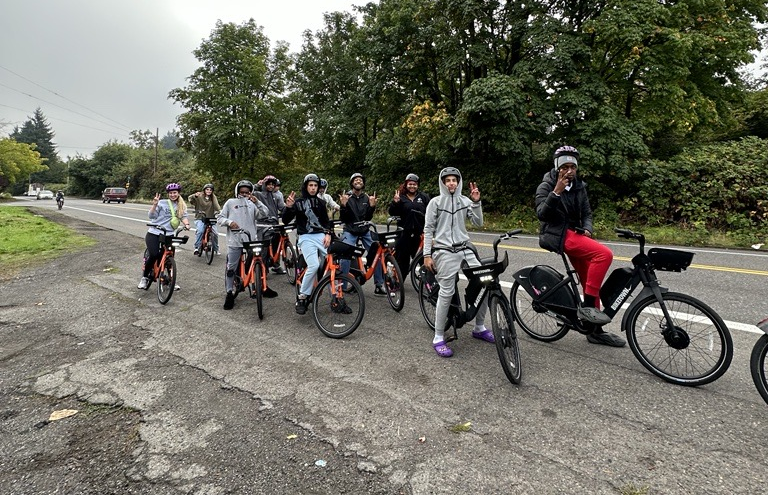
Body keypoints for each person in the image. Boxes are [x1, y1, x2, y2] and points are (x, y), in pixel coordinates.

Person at [536, 145, 625, 347]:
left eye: (572, 167)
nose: (569, 171)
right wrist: (556, 193)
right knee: (604, 255)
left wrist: (588, 229)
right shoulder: (546, 185)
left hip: (575, 233)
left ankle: (594, 331)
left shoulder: (579, 186)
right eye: (565, 167)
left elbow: (587, 213)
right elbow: (542, 214)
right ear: (557, 168)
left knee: (588, 282)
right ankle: (588, 308)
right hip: (557, 234)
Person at [422, 167, 495, 357]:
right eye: (448, 180)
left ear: (459, 182)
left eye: (454, 180)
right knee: (447, 291)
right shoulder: (435, 203)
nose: (451, 183)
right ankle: (438, 337)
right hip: (445, 250)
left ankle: (479, 327)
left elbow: (478, 223)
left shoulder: (465, 201)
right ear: (443, 183)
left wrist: (477, 202)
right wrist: (427, 255)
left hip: (465, 248)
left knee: (486, 282)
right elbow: (428, 229)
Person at [218, 180, 277, 310]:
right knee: (231, 267)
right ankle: (229, 292)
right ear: (237, 192)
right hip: (235, 240)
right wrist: (229, 222)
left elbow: (264, 213)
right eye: (242, 192)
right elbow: (220, 218)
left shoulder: (252, 204)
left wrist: (257, 202)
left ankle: (261, 287)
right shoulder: (230, 203)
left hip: (251, 240)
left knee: (259, 262)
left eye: (247, 192)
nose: (244, 194)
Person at [282, 174, 332, 315]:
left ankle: (337, 297)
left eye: (315, 185)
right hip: (306, 237)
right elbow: (286, 220)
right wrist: (288, 207)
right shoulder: (298, 202)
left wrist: (328, 233)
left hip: (321, 236)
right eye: (310, 185)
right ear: (306, 186)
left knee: (333, 262)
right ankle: (302, 297)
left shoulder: (321, 203)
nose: (313, 188)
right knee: (314, 265)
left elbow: (326, 222)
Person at [338, 173, 385, 295]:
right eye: (355, 180)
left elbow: (368, 217)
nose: (358, 181)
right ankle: (342, 287)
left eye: (360, 180)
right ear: (352, 183)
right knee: (345, 255)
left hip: (364, 231)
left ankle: (379, 285)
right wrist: (343, 205)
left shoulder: (366, 198)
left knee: (377, 253)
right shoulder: (347, 197)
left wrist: (372, 206)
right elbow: (343, 218)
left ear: (363, 183)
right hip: (350, 231)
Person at [138, 183, 191, 290]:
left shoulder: (181, 205)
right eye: (171, 193)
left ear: (178, 193)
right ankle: (144, 278)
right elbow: (151, 216)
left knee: (168, 258)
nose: (173, 195)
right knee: (154, 254)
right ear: (168, 194)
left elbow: (183, 217)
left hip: (169, 235)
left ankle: (171, 279)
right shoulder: (162, 203)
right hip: (154, 233)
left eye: (175, 193)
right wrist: (154, 205)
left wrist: (187, 224)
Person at [388, 173, 429, 275]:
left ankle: (428, 284)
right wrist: (395, 203)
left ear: (418, 185)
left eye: (414, 184)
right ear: (406, 185)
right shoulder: (401, 197)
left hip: (419, 234)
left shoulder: (423, 197)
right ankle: (397, 283)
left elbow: (431, 212)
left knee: (423, 260)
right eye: (410, 184)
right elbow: (392, 212)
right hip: (404, 234)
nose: (412, 186)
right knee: (403, 262)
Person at [255, 175, 287, 274]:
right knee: (264, 248)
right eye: (268, 184)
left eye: (273, 185)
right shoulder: (258, 194)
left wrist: (290, 208)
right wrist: (257, 185)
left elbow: (282, 208)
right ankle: (262, 269)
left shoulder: (276, 196)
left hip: (274, 224)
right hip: (262, 225)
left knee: (278, 244)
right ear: (264, 184)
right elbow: (249, 192)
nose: (271, 186)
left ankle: (276, 265)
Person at [188, 183, 221, 256]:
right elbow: (190, 199)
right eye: (207, 189)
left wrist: (219, 212)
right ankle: (197, 247)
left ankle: (216, 249)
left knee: (215, 233)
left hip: (211, 218)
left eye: (210, 190)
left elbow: (217, 206)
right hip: (200, 217)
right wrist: (194, 196)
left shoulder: (213, 197)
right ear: (204, 190)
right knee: (200, 231)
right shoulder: (199, 195)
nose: (209, 191)